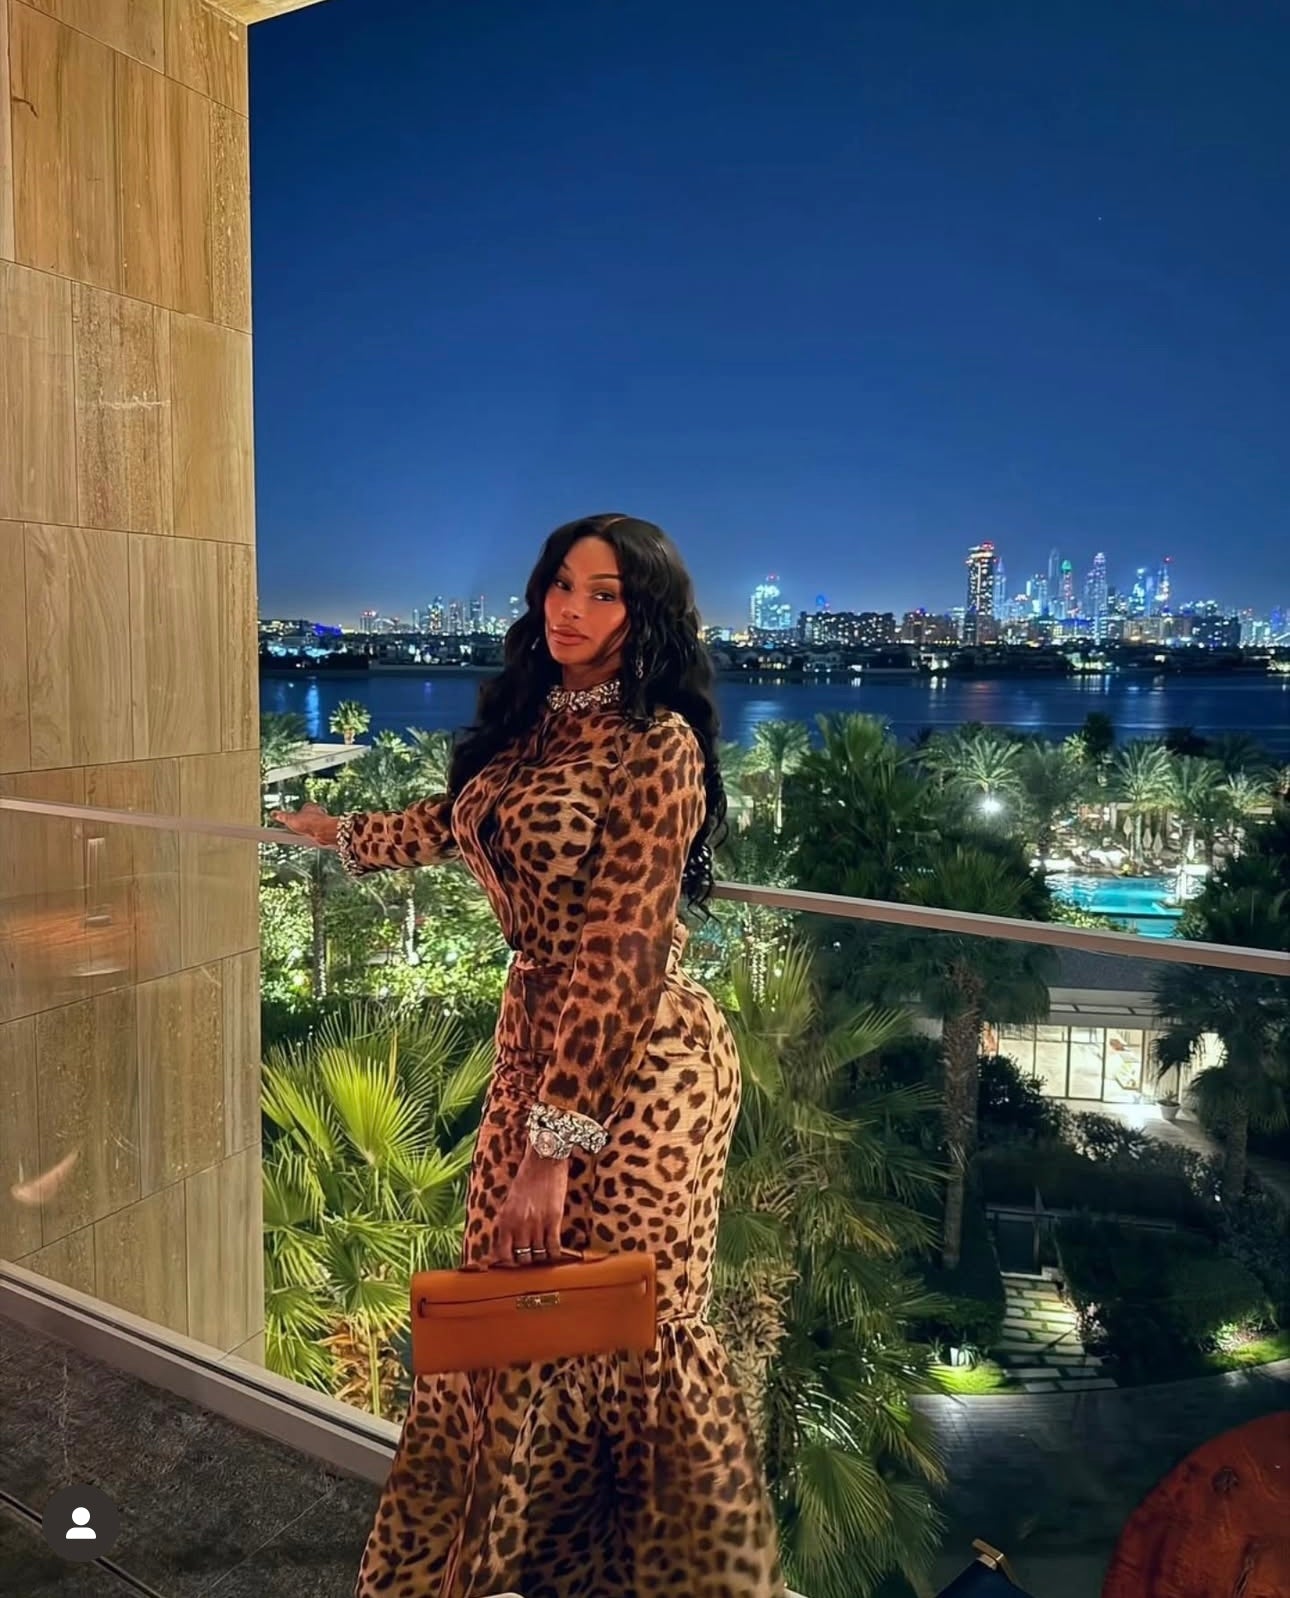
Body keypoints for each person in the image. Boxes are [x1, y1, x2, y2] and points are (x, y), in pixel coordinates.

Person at [276, 514, 784, 1598]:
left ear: (645, 616)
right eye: (562, 584)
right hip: (535, 1052)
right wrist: (344, 835)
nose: (571, 608)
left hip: (642, 1066)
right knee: (512, 1321)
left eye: (604, 593)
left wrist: (552, 1150)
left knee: (625, 1329)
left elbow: (624, 948)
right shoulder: (534, 720)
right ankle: (505, 1565)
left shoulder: (660, 745)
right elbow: (460, 818)